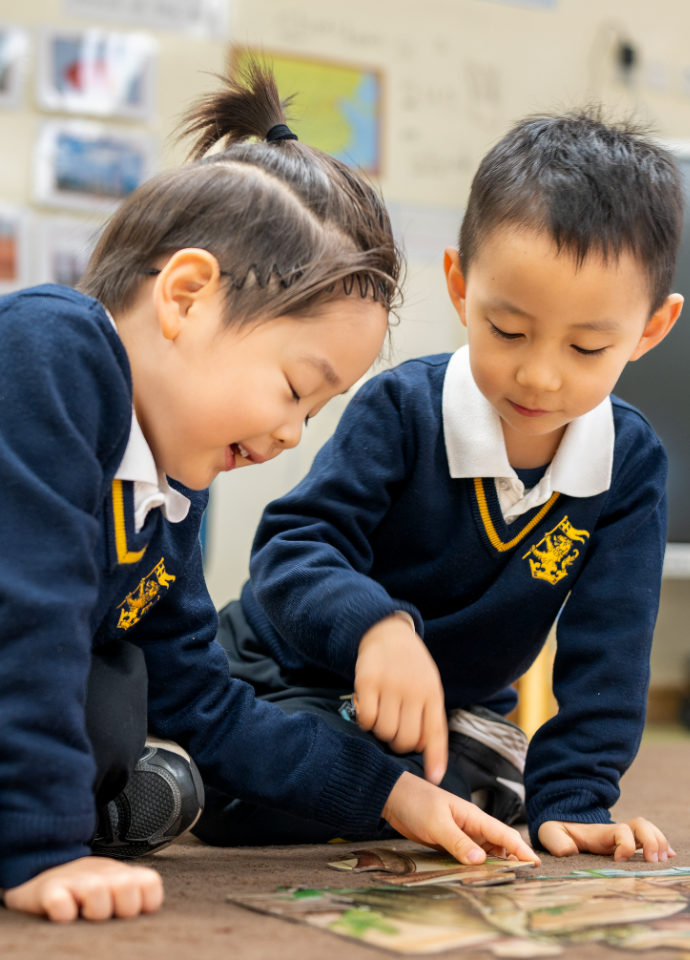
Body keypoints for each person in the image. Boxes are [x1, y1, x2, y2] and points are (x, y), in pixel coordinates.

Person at [0, 60, 539, 924]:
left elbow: (205, 702)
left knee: (117, 692)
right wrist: (40, 848)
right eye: (295, 389)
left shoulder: (171, 483)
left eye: (315, 412)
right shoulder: (52, 350)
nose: (293, 435)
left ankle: (88, 797)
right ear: (186, 297)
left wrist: (394, 795)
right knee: (79, 679)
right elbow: (26, 611)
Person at [205, 109, 682, 863]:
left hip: (450, 715)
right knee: (258, 772)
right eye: (510, 331)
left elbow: (612, 649)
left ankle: (386, 785)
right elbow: (294, 549)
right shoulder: (402, 410)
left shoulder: (631, 464)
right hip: (287, 670)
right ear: (461, 286)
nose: (539, 374)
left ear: (651, 331)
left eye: (588, 346)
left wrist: (578, 798)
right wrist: (376, 629)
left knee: (487, 786)